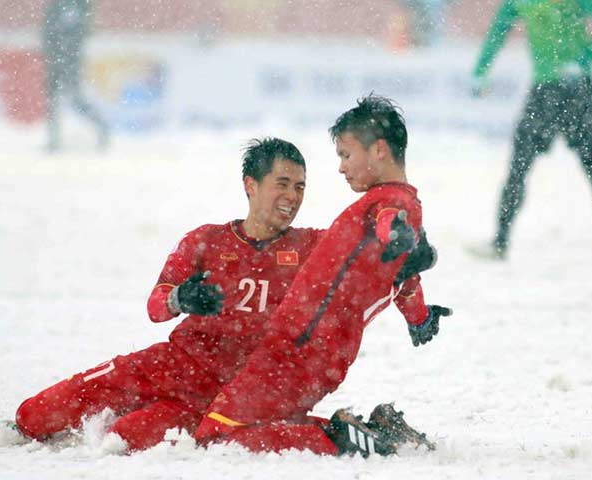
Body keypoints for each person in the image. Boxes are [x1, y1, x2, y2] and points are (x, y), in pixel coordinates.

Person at [15, 137, 323, 451]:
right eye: (282, 184)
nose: (292, 197)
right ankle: (122, 405)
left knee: (125, 438)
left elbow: (366, 243)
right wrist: (181, 298)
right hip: (174, 366)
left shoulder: (313, 247)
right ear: (251, 185)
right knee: (33, 417)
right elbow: (155, 306)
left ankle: (135, 415)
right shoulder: (207, 239)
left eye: (300, 187)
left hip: (225, 396)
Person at [193, 95, 452, 457]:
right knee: (254, 424)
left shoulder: (390, 204)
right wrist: (419, 318)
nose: (342, 168)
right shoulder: (403, 205)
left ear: (379, 150)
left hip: (298, 348)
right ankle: (375, 432)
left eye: (346, 155)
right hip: (314, 350)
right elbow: (404, 276)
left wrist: (396, 231)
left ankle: (343, 440)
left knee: (215, 437)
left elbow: (389, 222)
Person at [470, 0, 592, 259]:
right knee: (520, 166)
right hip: (546, 94)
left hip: (577, 92)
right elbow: (498, 31)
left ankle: (499, 242)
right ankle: (499, 241)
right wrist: (480, 71)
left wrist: (583, 60)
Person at [42, 0, 109, 153]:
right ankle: (54, 139)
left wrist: (65, 47)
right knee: (52, 100)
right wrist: (50, 50)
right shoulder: (60, 4)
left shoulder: (80, 4)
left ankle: (101, 127)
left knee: (75, 99)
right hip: (56, 58)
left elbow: (84, 29)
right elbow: (47, 29)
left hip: (69, 60)